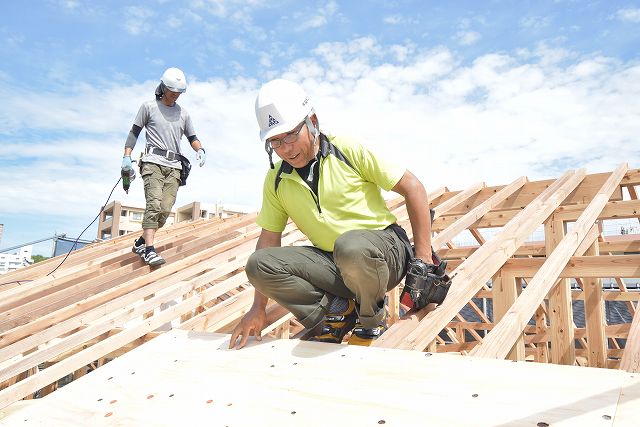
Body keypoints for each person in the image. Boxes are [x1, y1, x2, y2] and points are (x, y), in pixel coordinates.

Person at [229, 79, 434, 349]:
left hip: (384, 252)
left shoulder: (347, 149)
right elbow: (268, 240)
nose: (286, 148)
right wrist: (258, 308)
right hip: (337, 262)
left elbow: (413, 187)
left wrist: (424, 259)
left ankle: (371, 320)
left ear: (312, 120)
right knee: (259, 263)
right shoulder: (276, 178)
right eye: (275, 141)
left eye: (290, 134)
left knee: (350, 246)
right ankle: (336, 312)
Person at [121, 67, 207, 266]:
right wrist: (127, 156)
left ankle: (141, 243)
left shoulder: (183, 114)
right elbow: (134, 132)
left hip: (175, 166)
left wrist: (200, 149)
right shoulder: (148, 107)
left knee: (165, 210)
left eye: (179, 93)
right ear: (163, 87)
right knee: (154, 205)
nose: (175, 95)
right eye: (172, 91)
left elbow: (192, 137)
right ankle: (149, 250)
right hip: (153, 163)